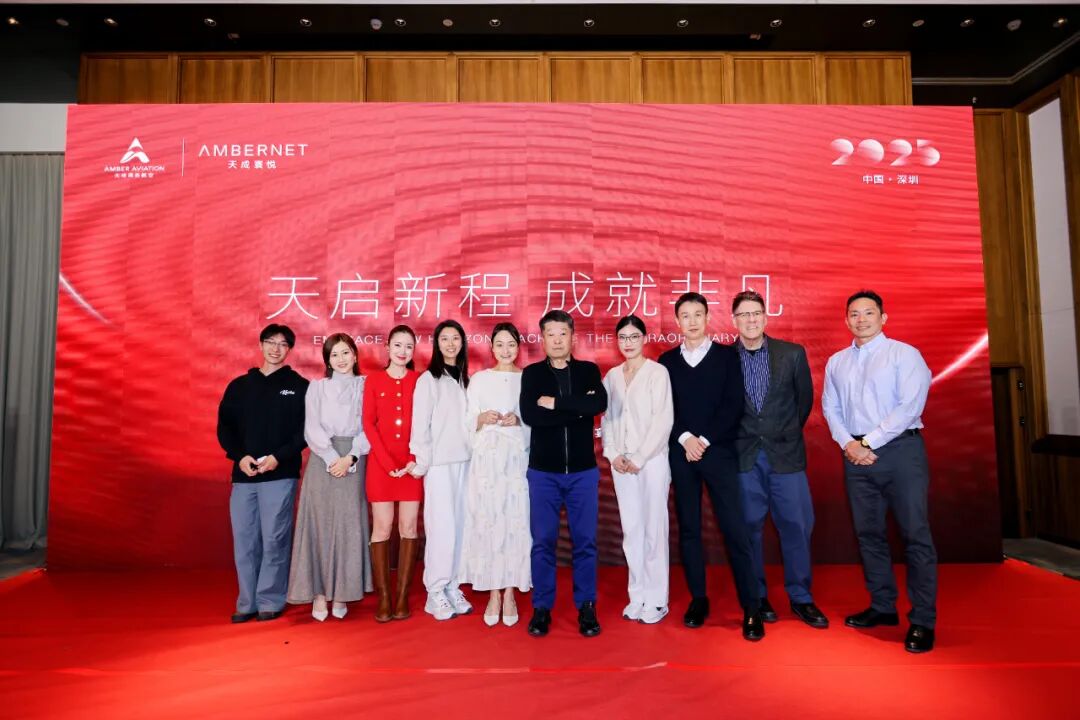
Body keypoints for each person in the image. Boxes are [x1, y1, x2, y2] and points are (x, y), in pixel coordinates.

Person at [822, 290, 938, 653]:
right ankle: (883, 606)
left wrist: (867, 442)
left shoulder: (905, 355)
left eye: (868, 313)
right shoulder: (837, 362)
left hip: (901, 452)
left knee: (915, 535)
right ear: (846, 320)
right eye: (854, 314)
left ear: (883, 317)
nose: (861, 319)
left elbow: (910, 407)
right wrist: (849, 444)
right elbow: (830, 407)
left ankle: (922, 620)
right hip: (855, 456)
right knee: (869, 534)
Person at [658, 292, 764, 641]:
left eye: (697, 315)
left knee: (734, 528)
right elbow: (663, 409)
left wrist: (703, 440)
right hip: (682, 453)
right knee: (689, 529)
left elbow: (733, 405)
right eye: (685, 316)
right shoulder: (666, 362)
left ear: (707, 319)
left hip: (718, 453)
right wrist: (685, 438)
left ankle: (751, 606)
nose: (692, 321)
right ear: (677, 321)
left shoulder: (727, 357)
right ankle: (698, 599)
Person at [730, 290, 828, 629]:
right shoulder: (724, 358)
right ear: (734, 320)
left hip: (785, 454)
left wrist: (781, 432)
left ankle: (801, 597)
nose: (751, 319)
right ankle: (756, 598)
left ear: (765, 316)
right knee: (748, 529)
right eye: (744, 314)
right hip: (743, 456)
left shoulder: (792, 354)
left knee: (797, 526)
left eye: (756, 313)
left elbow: (804, 402)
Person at [519, 310, 608, 638]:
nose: (557, 340)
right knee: (543, 542)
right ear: (542, 339)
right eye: (550, 334)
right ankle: (542, 607)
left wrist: (555, 404)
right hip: (544, 473)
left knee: (586, 542)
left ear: (573, 337)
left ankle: (587, 606)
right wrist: (576, 408)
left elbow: (598, 404)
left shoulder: (588, 371)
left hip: (583, 473)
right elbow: (531, 416)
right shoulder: (532, 374)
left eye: (562, 334)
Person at [217, 323, 309, 623]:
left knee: (274, 539)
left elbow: (304, 432)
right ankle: (247, 602)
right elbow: (225, 428)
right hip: (244, 476)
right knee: (245, 540)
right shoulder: (239, 386)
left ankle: (270, 599)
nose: (275, 349)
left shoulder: (299, 386)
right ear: (260, 344)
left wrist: (278, 458)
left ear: (289, 349)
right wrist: (239, 456)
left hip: (280, 475)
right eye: (270, 342)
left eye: (283, 344)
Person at [287, 333, 373, 622]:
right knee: (319, 525)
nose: (341, 359)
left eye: (346, 352)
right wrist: (331, 457)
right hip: (322, 459)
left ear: (355, 355)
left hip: (355, 457)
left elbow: (371, 424)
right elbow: (312, 428)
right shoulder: (317, 388)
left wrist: (351, 457)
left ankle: (342, 592)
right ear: (327, 360)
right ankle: (319, 593)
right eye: (334, 354)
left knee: (349, 525)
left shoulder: (366, 385)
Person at [601, 315, 674, 625]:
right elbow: (606, 420)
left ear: (644, 339)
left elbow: (663, 421)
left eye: (634, 336)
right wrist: (613, 454)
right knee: (632, 530)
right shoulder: (612, 377)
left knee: (654, 529)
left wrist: (640, 457)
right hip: (621, 464)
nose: (628, 342)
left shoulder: (658, 373)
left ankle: (657, 600)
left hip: (652, 461)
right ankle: (638, 595)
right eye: (623, 337)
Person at [458, 322, 532, 627]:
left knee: (515, 521)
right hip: (486, 461)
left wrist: (519, 421)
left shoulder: (528, 378)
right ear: (491, 347)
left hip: (515, 459)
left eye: (511, 344)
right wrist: (481, 418)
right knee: (487, 520)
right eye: (500, 344)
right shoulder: (479, 379)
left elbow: (537, 421)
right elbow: (466, 421)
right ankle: (492, 592)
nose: (505, 350)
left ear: (518, 347)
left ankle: (510, 591)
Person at [410, 319, 473, 621]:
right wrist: (423, 461)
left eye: (455, 338)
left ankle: (452, 585)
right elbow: (419, 426)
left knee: (462, 526)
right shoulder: (429, 380)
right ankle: (435, 591)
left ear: (463, 343)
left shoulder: (466, 379)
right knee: (441, 528)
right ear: (436, 344)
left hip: (466, 463)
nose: (450, 344)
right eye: (444, 338)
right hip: (439, 465)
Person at [363, 325, 422, 622]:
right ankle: (384, 597)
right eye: (398, 345)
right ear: (387, 347)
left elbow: (425, 423)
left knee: (409, 528)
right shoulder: (373, 380)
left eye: (409, 346)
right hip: (381, 465)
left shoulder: (420, 381)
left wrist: (413, 460)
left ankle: (402, 597)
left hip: (411, 466)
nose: (403, 351)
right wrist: (387, 463)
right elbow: (368, 423)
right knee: (382, 528)